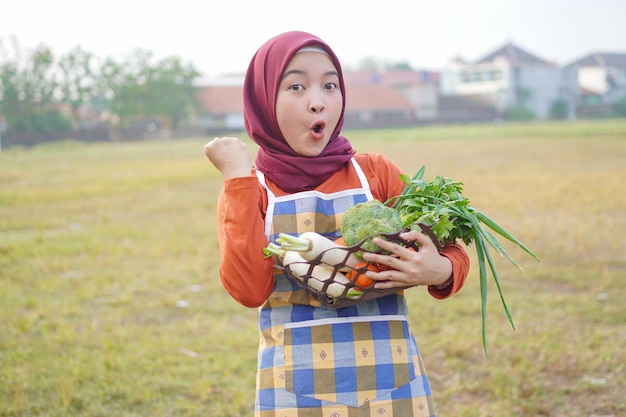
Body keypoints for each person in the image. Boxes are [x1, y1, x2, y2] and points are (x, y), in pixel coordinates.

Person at [204, 31, 470, 417]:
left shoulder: (375, 173)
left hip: (392, 384)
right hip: (295, 393)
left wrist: (439, 269)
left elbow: (451, 249)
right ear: (263, 100)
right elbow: (248, 290)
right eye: (296, 86)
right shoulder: (251, 189)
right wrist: (236, 180)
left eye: (330, 85)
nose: (318, 102)